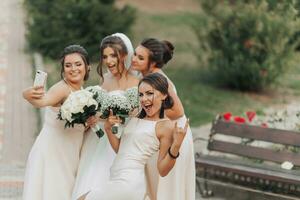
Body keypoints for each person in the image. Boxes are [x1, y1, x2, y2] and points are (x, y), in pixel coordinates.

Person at [81, 72, 188, 200]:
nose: (144, 99)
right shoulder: (137, 116)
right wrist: (108, 128)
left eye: (149, 93)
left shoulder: (166, 126)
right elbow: (122, 151)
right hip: (116, 176)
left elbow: (162, 170)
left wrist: (176, 146)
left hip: (129, 183)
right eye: (141, 94)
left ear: (164, 95)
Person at [72, 33, 139, 200]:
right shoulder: (105, 79)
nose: (108, 61)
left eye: (113, 56)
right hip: (99, 140)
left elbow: (139, 115)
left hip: (121, 141)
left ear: (124, 56)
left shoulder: (136, 83)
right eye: (105, 56)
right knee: (91, 181)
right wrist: (93, 117)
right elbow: (102, 110)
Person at [22, 44, 90, 200]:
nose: (73, 69)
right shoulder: (62, 88)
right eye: (68, 65)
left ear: (87, 67)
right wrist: (26, 94)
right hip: (52, 153)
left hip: (69, 155)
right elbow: (42, 101)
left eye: (78, 64)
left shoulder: (82, 92)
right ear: (63, 69)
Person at [131, 38, 196, 200]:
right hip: (160, 134)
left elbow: (178, 110)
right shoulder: (144, 76)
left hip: (174, 135)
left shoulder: (159, 79)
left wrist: (146, 114)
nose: (134, 59)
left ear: (152, 64)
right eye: (135, 54)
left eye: (140, 58)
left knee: (167, 188)